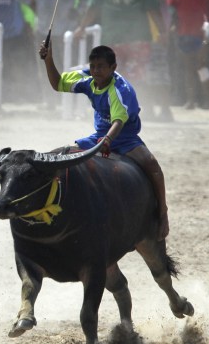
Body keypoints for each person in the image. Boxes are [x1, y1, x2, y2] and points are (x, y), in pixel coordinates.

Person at [39, 42, 170, 240]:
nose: (96, 71)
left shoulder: (120, 89)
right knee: (62, 156)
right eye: (93, 66)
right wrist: (48, 59)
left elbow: (118, 121)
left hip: (124, 138)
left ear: (113, 68)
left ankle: (162, 214)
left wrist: (107, 140)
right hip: (100, 135)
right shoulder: (87, 77)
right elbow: (57, 83)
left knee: (152, 165)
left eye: (101, 67)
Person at [74, 0, 174, 123]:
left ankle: (126, 112)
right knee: (139, 75)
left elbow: (94, 7)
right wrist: (162, 32)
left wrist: (82, 27)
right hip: (135, 37)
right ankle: (144, 109)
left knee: (116, 78)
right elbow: (152, 7)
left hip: (116, 37)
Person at [169, 0, 209, 109]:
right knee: (188, 68)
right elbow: (170, 6)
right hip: (183, 33)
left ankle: (208, 99)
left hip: (201, 33)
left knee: (202, 66)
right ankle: (191, 101)